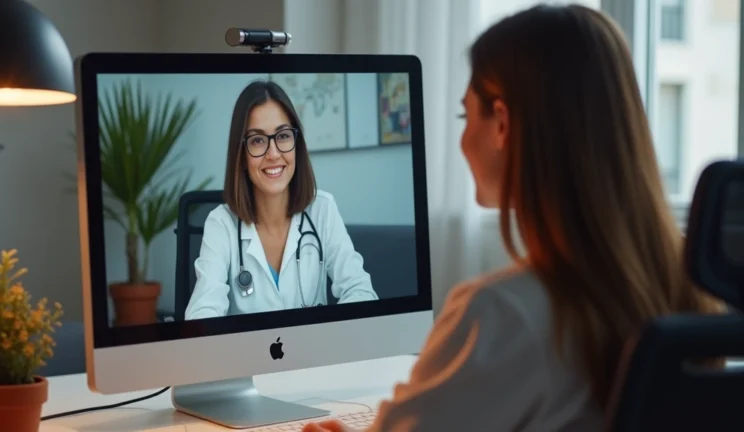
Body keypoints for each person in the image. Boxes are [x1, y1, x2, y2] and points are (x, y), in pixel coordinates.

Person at [303, 4, 722, 431]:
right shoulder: (690, 294)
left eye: (466, 115)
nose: (463, 139)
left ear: (502, 124)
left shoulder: (502, 314)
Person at [185, 80, 378, 319]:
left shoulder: (322, 209)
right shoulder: (221, 223)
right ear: (241, 155)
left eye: (283, 136)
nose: (274, 153)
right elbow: (201, 314)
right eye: (257, 140)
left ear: (296, 144)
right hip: (246, 356)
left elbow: (360, 291)